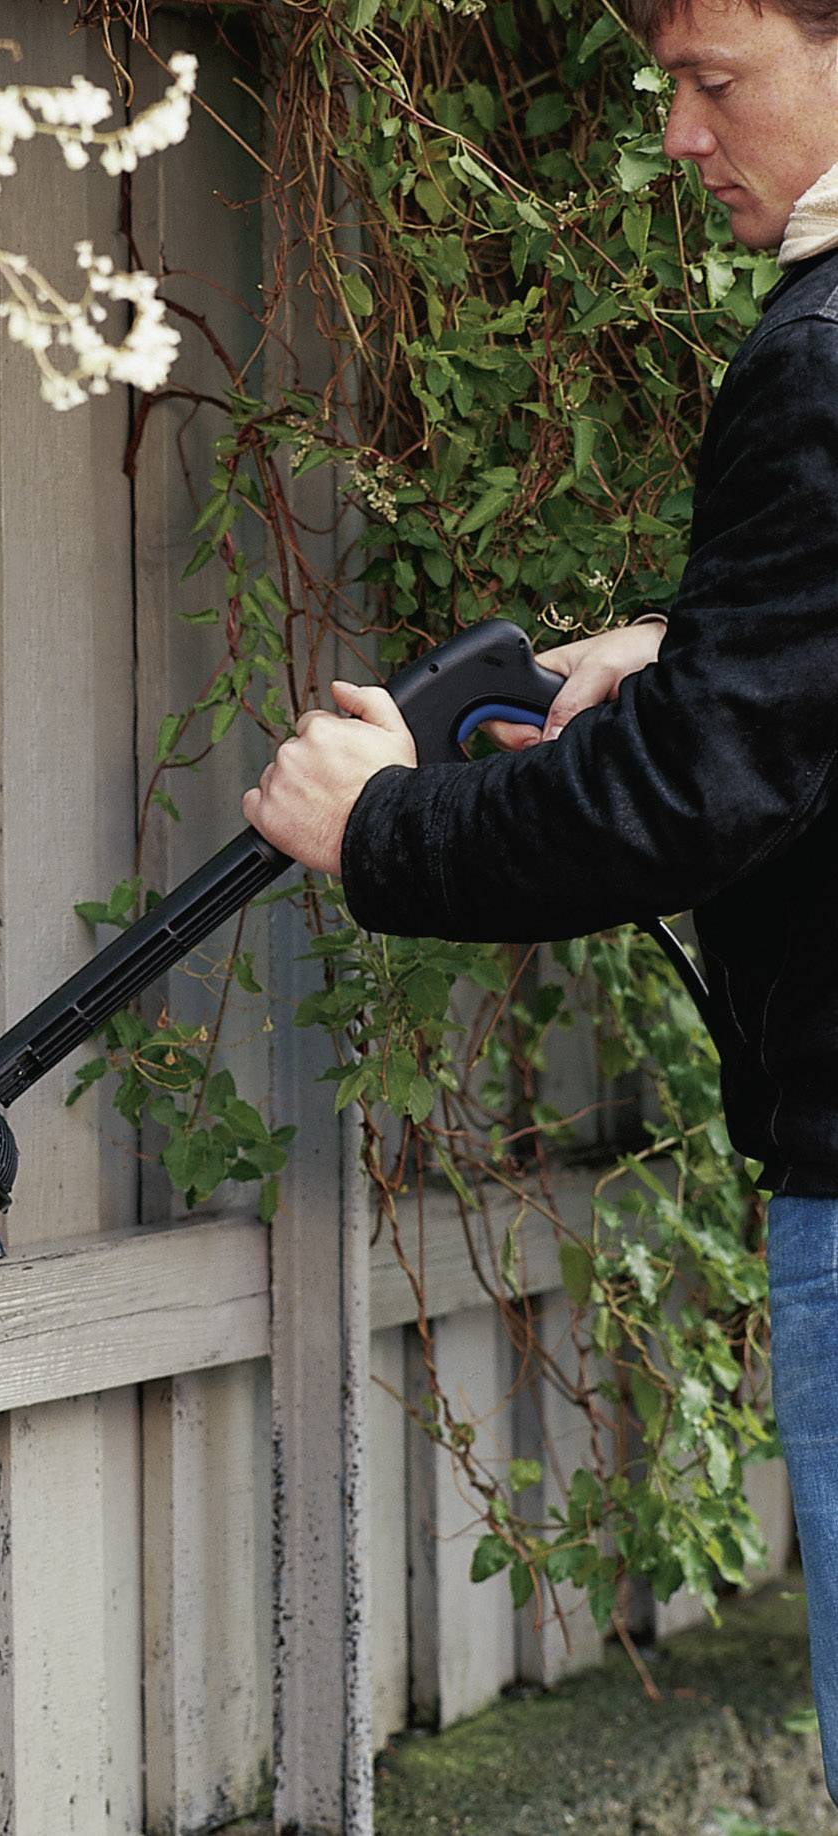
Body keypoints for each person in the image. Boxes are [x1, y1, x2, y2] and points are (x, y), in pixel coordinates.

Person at [239, 0, 838, 1801]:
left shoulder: (825, 362)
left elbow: (694, 796)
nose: (673, 131)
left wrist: (392, 828)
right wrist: (698, 647)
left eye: (712, 81)